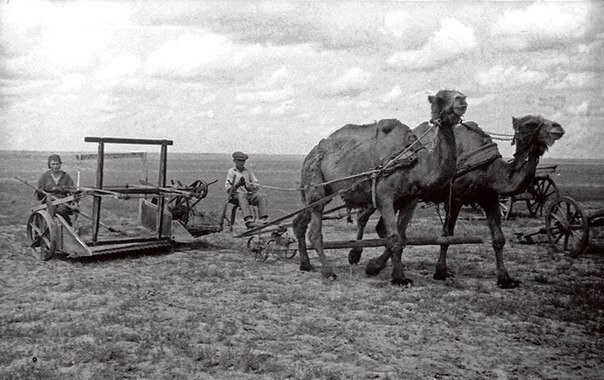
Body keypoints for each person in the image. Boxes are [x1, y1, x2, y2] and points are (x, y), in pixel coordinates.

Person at [225, 151, 269, 228]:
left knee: (261, 195)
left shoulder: (248, 171)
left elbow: (255, 185)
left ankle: (263, 219)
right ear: (234, 161)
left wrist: (251, 187)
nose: (242, 163)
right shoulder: (231, 172)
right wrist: (238, 184)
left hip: (248, 195)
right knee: (241, 194)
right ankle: (248, 220)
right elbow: (229, 190)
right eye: (239, 160)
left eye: (243, 161)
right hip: (235, 196)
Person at [36, 154, 76, 224]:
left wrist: (62, 189)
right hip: (49, 201)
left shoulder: (66, 176)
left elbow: (73, 190)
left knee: (61, 210)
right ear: (49, 165)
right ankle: (50, 229)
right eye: (53, 164)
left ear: (60, 164)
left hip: (63, 201)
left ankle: (67, 225)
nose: (55, 166)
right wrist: (39, 192)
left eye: (57, 164)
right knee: (50, 211)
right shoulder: (45, 176)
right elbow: (39, 195)